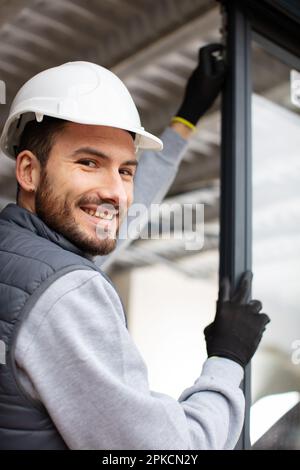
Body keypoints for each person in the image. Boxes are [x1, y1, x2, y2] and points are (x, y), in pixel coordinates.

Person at [0, 46, 269, 450]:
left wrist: (185, 120)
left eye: (126, 170)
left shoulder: (17, 254)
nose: (115, 191)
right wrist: (227, 361)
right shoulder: (66, 294)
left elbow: (110, 213)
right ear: (28, 171)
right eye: (88, 162)